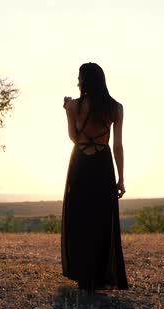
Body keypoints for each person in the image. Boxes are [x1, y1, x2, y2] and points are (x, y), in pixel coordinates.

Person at [61, 62, 129, 291]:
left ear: (85, 81)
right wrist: (121, 178)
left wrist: (67, 112)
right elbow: (117, 146)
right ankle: (100, 275)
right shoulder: (115, 108)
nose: (77, 82)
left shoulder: (72, 106)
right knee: (101, 219)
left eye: (79, 78)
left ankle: (83, 276)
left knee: (79, 219)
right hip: (102, 165)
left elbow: (74, 137)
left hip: (80, 163)